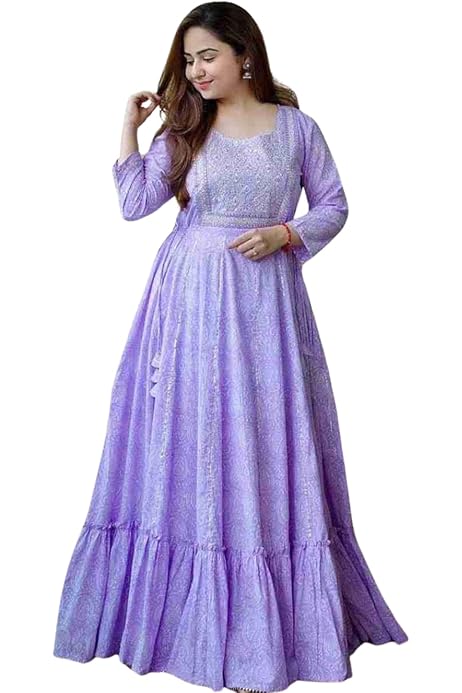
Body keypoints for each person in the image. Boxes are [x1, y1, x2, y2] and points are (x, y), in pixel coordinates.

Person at [52, 3, 408, 692]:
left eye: (207, 56)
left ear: (245, 54)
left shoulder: (297, 128)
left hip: (267, 309)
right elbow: (133, 204)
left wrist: (287, 234)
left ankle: (263, 641)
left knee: (265, 445)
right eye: (188, 60)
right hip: (187, 308)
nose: (195, 71)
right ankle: (181, 630)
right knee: (189, 441)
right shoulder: (187, 127)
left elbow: (333, 204)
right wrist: (129, 127)